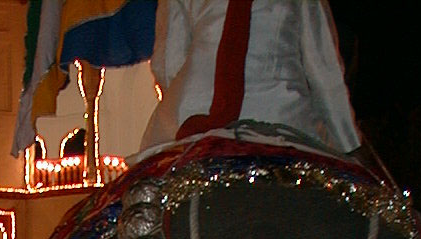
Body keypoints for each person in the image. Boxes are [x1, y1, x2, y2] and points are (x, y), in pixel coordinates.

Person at [140, 0, 364, 156]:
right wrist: (349, 143)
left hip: (191, 114)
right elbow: (324, 71)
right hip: (282, 115)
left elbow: (168, 62)